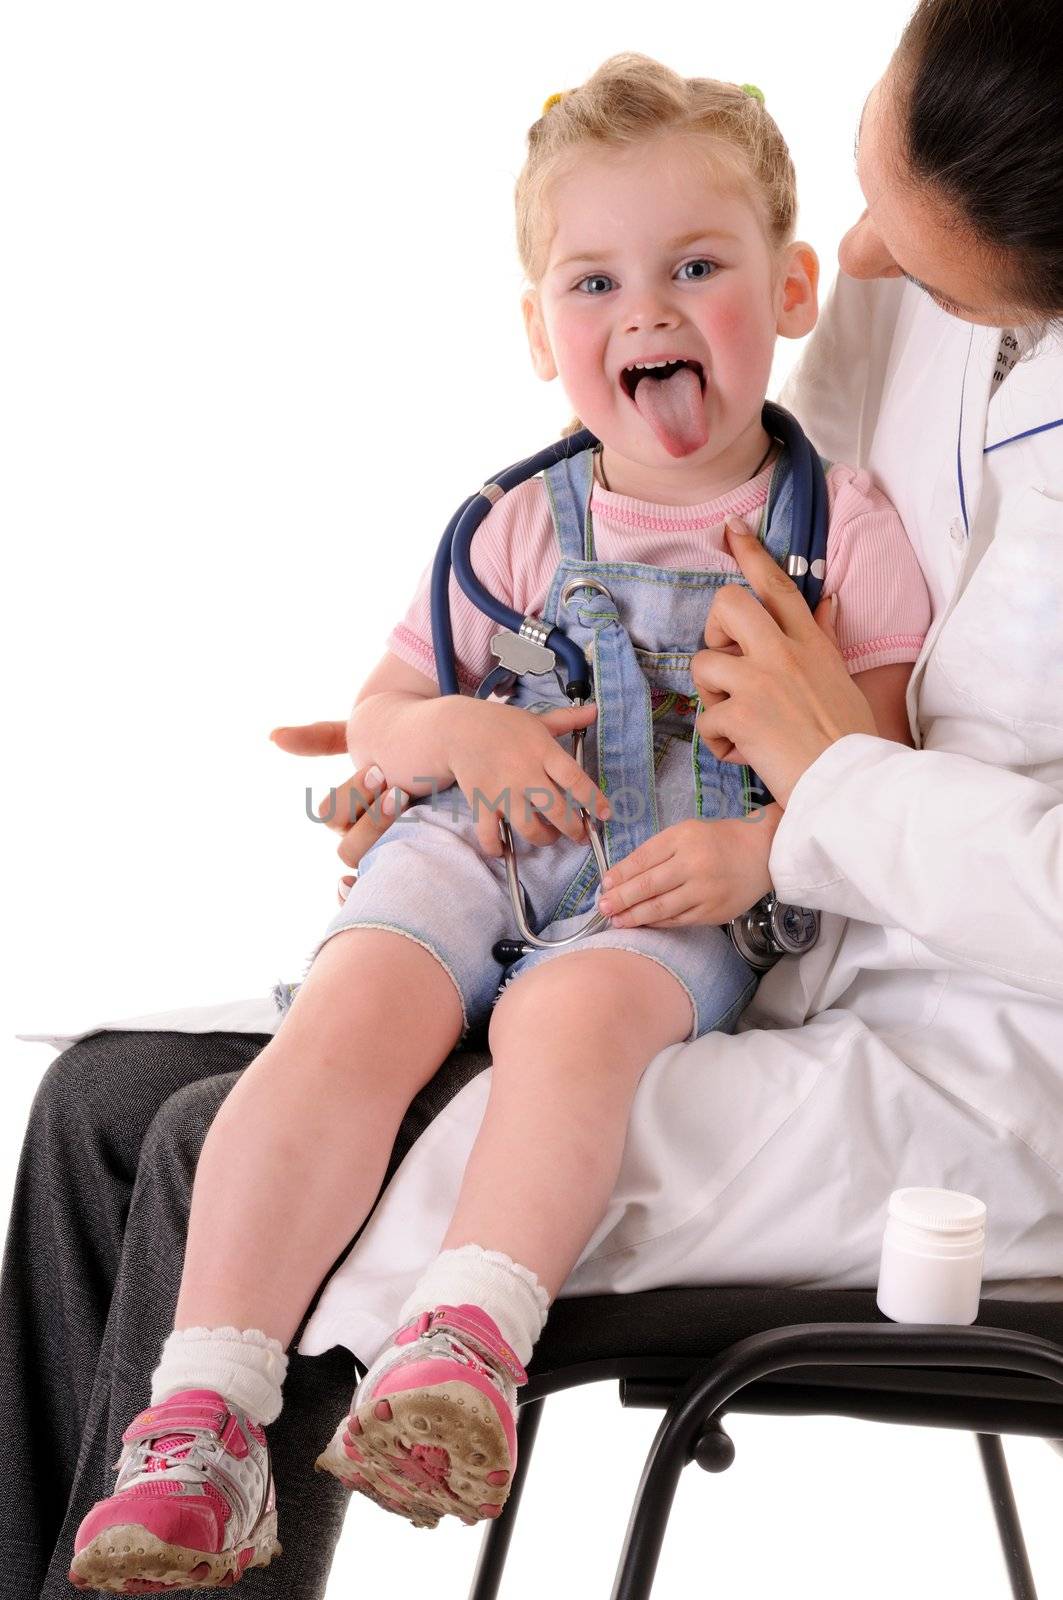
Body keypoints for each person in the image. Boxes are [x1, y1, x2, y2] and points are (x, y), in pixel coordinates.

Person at [3, 0, 1061, 1593]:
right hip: (550, 871)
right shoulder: (569, 482)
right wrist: (422, 759)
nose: (864, 255)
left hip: (897, 1018)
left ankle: (396, 1378)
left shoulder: (879, 419)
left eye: (901, 220)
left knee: (200, 1140)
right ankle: (140, 1499)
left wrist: (819, 785)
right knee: (94, 1100)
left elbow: (863, 694)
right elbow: (476, 652)